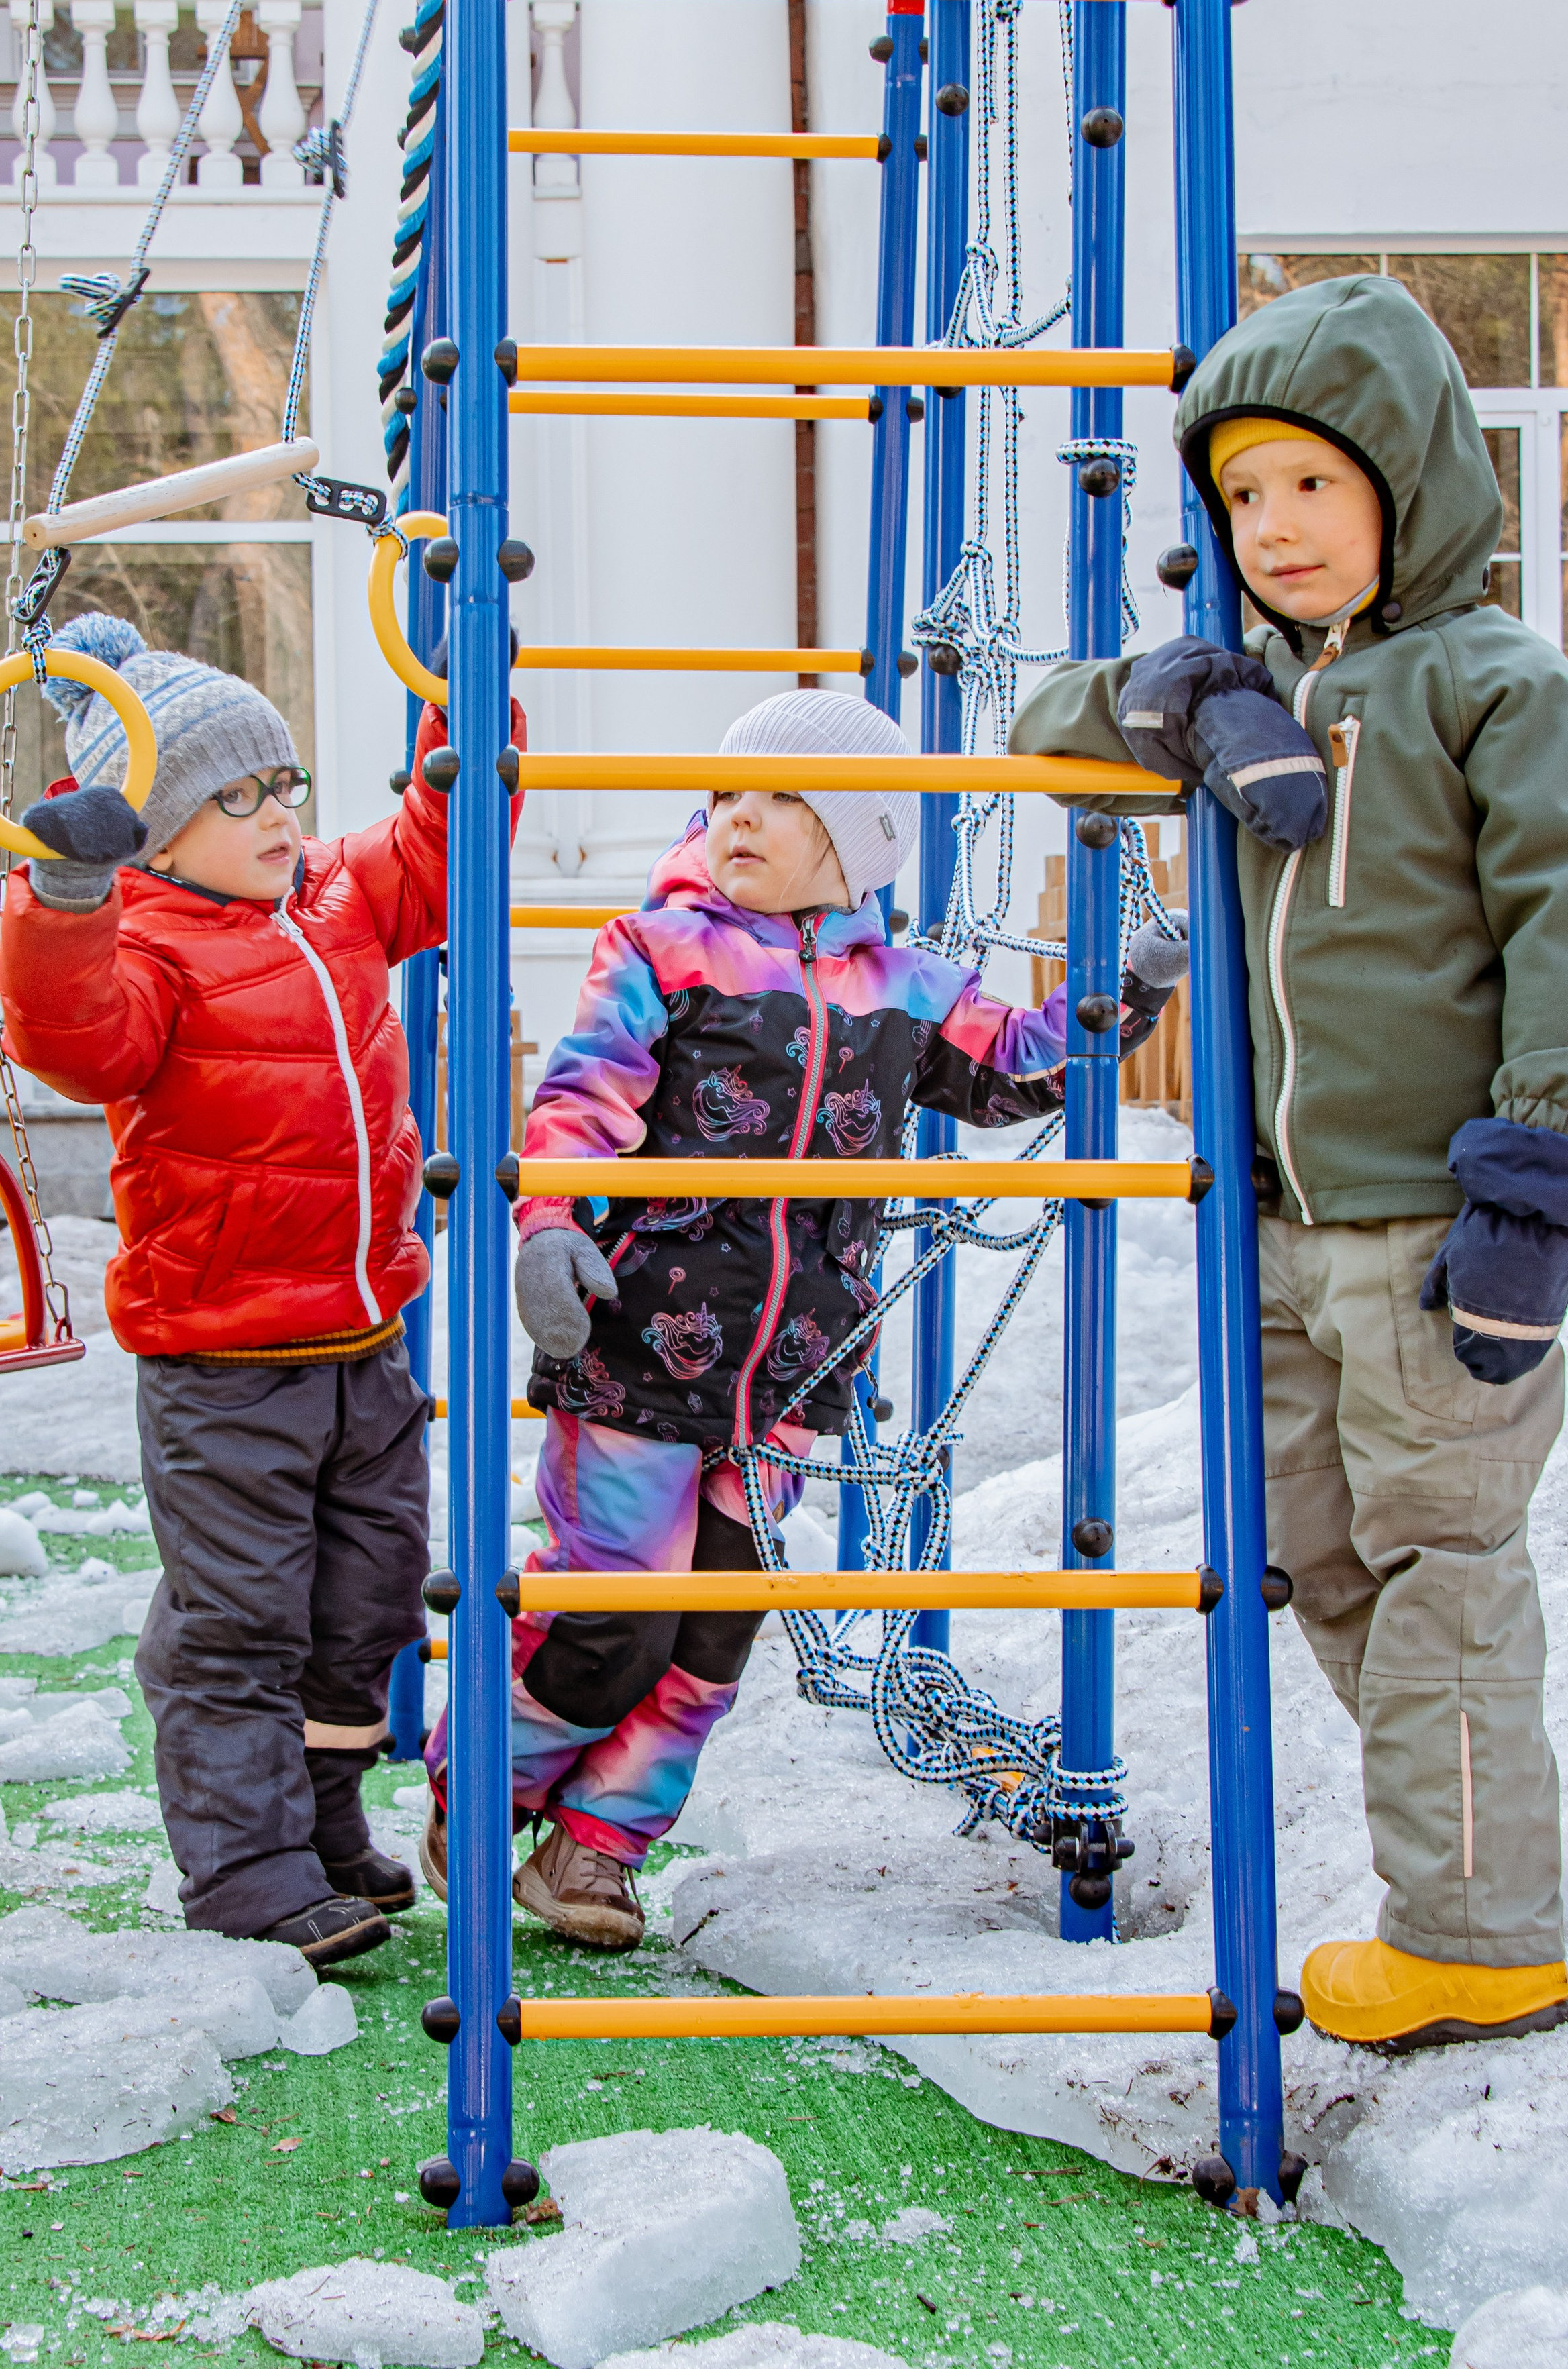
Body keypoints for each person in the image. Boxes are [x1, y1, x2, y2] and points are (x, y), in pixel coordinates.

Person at [1010, 272, 1568, 2051]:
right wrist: (1173, 692)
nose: (1274, 527)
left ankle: (1489, 1935)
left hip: (1442, 1228)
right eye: (1243, 498)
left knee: (1444, 1568)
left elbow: (1564, 921)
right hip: (1290, 1225)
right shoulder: (1259, 686)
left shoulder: (1490, 683)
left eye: (1312, 486)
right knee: (1330, 1565)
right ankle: (1482, 1867)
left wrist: (1535, 1190)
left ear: (1406, 478)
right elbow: (1038, 730)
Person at [421, 688, 1189, 1950]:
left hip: (792, 1368)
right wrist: (551, 1222)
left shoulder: (909, 988)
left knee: (718, 1628)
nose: (739, 821)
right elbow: (584, 1095)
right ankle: (482, 1794)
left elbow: (1020, 1066)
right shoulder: (659, 950)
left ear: (861, 834)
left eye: (781, 801)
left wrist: (1129, 990)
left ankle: (598, 1849)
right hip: (642, 1344)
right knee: (615, 1609)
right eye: (724, 797)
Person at [0, 611, 521, 1969]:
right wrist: (64, 899)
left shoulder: (335, 903)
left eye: (281, 781)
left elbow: (440, 839)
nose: (277, 813)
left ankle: (322, 1828)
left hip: (364, 1348)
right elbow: (74, 1040)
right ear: (153, 838)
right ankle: (244, 1872)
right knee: (240, 1623)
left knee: (366, 1608)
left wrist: (472, 688)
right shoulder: (148, 952)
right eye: (232, 797)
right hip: (223, 1365)